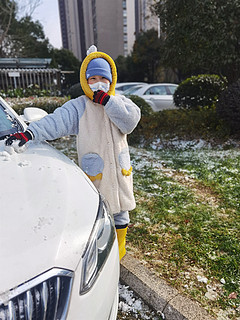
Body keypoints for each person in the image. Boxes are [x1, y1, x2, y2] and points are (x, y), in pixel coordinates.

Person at [5, 45, 141, 260]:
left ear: (111, 79)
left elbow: (130, 121)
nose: (98, 83)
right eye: (93, 78)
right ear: (85, 81)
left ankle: (120, 248)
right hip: (97, 171)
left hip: (119, 170)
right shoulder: (78, 107)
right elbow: (54, 122)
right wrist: (29, 133)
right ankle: (100, 250)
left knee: (121, 211)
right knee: (98, 211)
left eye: (103, 78)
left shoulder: (120, 102)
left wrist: (107, 102)